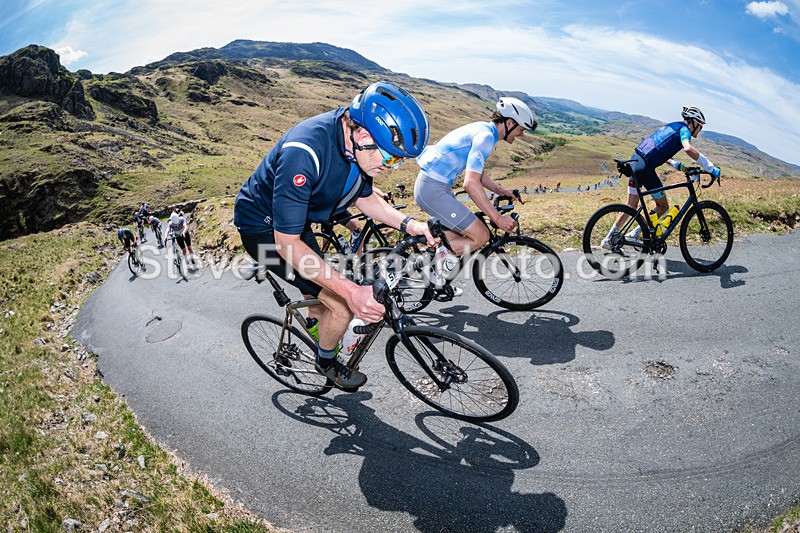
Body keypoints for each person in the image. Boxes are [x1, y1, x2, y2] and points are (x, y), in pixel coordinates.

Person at [233, 81, 433, 390]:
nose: (391, 168)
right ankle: (326, 362)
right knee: (340, 303)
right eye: (391, 158)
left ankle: (316, 322)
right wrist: (351, 293)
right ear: (364, 136)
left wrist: (409, 224)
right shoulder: (304, 152)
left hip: (293, 225)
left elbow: (364, 198)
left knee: (318, 289)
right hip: (263, 231)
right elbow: (287, 243)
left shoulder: (354, 144)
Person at [414, 96, 536, 282]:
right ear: (509, 122)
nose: (521, 134)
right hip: (432, 189)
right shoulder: (486, 137)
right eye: (520, 129)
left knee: (452, 237)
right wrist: (497, 217)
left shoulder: (485, 130)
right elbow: (470, 183)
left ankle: (436, 279)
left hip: (435, 187)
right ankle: (425, 266)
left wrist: (500, 190)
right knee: (481, 235)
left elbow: (477, 171)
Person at [602, 106, 721, 247]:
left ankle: (608, 239)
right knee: (663, 206)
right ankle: (635, 234)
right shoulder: (684, 130)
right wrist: (710, 168)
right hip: (645, 168)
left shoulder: (672, 126)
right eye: (700, 126)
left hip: (635, 162)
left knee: (631, 207)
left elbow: (658, 151)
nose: (700, 130)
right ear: (694, 122)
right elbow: (688, 148)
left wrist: (678, 166)